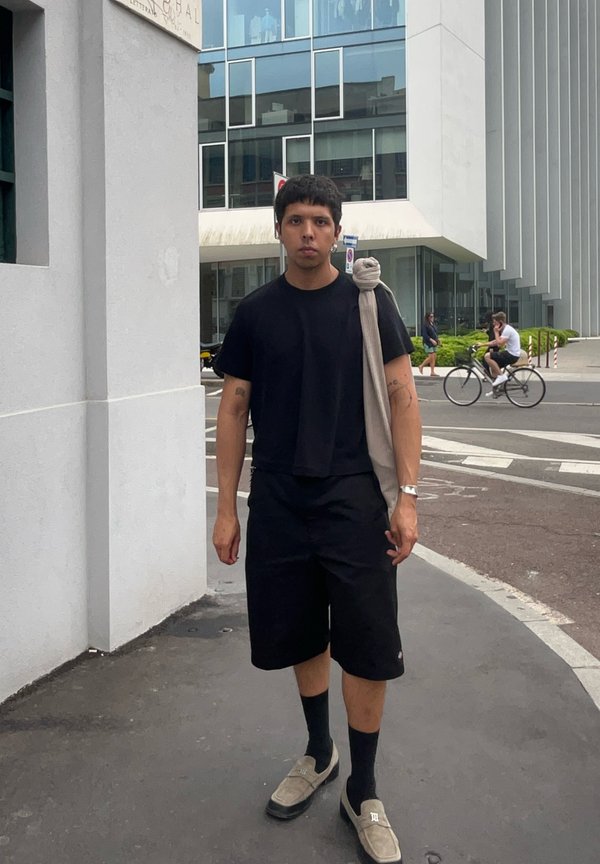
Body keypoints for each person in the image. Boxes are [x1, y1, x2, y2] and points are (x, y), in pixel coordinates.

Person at [212, 174, 422, 864]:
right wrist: (226, 508)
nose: (308, 232)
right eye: (296, 219)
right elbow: (233, 408)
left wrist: (408, 497)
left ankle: (364, 790)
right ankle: (319, 750)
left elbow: (402, 395)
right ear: (279, 229)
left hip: (355, 498)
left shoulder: (369, 304)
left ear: (336, 231)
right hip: (278, 498)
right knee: (301, 631)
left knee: (367, 643)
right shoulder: (255, 312)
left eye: (320, 221)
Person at [474, 311, 521, 393]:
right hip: (511, 354)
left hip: (511, 355)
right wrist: (482, 345)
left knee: (487, 356)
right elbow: (495, 342)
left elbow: (499, 344)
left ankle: (502, 376)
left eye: (495, 323)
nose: (493, 324)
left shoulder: (507, 330)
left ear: (500, 322)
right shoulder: (506, 329)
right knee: (493, 371)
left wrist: (496, 332)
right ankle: (496, 389)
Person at [418, 312, 440, 376]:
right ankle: (421, 366)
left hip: (434, 343)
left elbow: (435, 333)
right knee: (431, 357)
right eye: (431, 316)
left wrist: (438, 340)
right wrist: (431, 340)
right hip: (428, 343)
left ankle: (432, 372)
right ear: (427, 317)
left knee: (434, 357)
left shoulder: (432, 324)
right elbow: (425, 335)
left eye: (433, 316)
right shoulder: (425, 325)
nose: (432, 318)